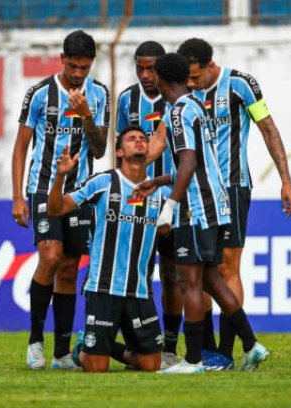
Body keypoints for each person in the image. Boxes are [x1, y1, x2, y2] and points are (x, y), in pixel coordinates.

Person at [176, 38, 291, 368]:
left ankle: (227, 352)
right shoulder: (181, 94)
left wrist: (286, 180)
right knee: (199, 271)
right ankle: (206, 352)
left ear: (211, 67)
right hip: (194, 192)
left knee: (227, 267)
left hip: (232, 187)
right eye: (186, 78)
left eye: (196, 77)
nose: (190, 84)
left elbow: (268, 129)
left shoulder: (241, 85)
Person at [145, 53, 268, 374]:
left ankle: (195, 361)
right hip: (217, 204)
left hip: (195, 208)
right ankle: (252, 345)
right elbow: (200, 161)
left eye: (154, 74)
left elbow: (188, 162)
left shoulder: (178, 111)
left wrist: (169, 206)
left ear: (162, 78)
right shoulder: (198, 105)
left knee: (191, 284)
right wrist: (158, 180)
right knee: (211, 279)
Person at [11, 29, 110, 370]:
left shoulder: (99, 94)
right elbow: (22, 145)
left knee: (69, 268)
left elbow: (99, 149)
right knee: (50, 256)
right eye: (73, 66)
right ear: (62, 60)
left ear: (91, 64)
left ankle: (61, 354)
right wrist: (16, 196)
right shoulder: (39, 94)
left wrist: (86, 115)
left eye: (84, 67)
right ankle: (35, 341)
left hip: (80, 191)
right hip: (43, 187)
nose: (78, 73)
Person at [48, 126, 168, 372]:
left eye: (143, 139)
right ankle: (87, 349)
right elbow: (55, 209)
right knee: (96, 368)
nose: (139, 142)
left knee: (152, 366)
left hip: (140, 290)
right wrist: (60, 176)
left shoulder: (161, 191)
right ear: (120, 152)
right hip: (103, 288)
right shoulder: (103, 182)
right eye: (132, 139)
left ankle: (105, 346)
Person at [116, 41, 181, 369]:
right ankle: (142, 344)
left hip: (170, 200)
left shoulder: (177, 102)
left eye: (151, 68)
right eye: (140, 68)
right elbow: (120, 153)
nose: (145, 75)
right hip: (135, 203)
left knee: (172, 275)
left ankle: (169, 345)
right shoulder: (127, 99)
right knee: (140, 274)